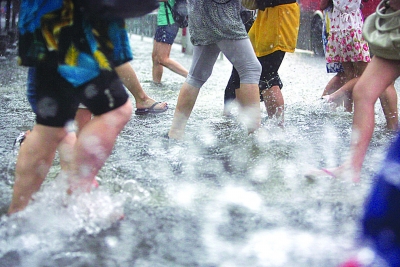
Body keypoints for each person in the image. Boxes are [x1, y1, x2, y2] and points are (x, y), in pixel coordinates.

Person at [8, 0, 134, 214]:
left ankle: (18, 216)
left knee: (54, 125)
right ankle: (76, 197)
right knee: (115, 110)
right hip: (71, 14)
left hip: (60, 14)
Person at [306, 0, 400, 182]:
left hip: (364, 26)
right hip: (392, 24)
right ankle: (352, 166)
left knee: (374, 85)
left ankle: (391, 129)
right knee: (364, 91)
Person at [168, 0, 262, 140]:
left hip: (199, 14)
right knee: (250, 69)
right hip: (222, 13)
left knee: (196, 76)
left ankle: (175, 132)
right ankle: (254, 137)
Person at [223, 1, 300, 126]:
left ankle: (277, 128)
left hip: (279, 15)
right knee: (241, 70)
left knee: (267, 75)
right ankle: (243, 122)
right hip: (266, 16)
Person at [152, 0, 188, 84]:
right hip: (162, 22)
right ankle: (156, 84)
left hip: (169, 23)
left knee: (162, 58)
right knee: (155, 58)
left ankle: (192, 78)